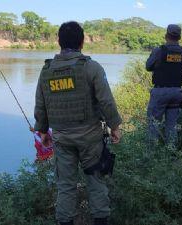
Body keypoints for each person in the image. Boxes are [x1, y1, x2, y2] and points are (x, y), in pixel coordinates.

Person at [33, 21, 122, 225]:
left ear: (59, 42)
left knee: (65, 185)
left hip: (62, 138)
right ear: (82, 42)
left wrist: (43, 131)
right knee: (95, 181)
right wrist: (114, 127)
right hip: (90, 138)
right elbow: (106, 101)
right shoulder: (91, 67)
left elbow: (41, 104)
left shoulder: (46, 70)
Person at [146, 24, 182, 146]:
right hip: (177, 93)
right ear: (179, 37)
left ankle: (150, 156)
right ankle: (171, 153)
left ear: (166, 36)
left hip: (161, 92)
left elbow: (148, 66)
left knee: (153, 125)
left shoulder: (159, 51)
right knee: (172, 127)